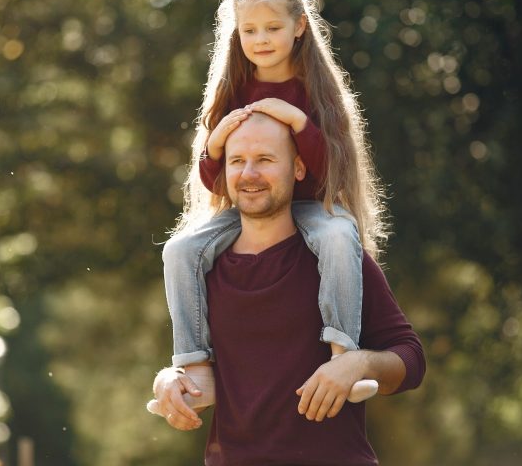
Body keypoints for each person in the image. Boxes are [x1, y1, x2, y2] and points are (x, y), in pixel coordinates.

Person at [160, 0, 388, 408]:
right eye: (249, 31)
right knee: (179, 249)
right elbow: (214, 181)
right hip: (249, 210)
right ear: (236, 33)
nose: (260, 40)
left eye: (272, 28)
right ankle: (195, 364)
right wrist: (219, 138)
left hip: (308, 205)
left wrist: (298, 122)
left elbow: (330, 171)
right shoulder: (233, 89)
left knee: (341, 236)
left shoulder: (318, 90)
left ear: (299, 26)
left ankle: (342, 355)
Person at [152, 112, 425, 465]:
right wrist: (168, 379)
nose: (249, 174)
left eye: (265, 159)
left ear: (298, 168)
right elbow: (203, 372)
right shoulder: (201, 268)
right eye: (237, 161)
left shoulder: (339, 258)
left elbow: (411, 361)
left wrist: (357, 364)